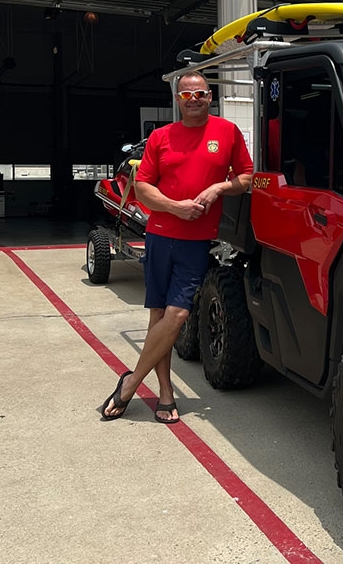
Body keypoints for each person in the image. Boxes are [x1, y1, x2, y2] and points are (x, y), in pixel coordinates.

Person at [100, 71, 253, 423]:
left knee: (179, 314)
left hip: (196, 242)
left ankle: (129, 384)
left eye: (200, 93)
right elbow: (142, 189)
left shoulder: (226, 133)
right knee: (158, 315)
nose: (194, 99)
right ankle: (165, 393)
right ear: (178, 100)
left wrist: (218, 188)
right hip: (160, 235)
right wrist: (176, 206)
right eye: (187, 95)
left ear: (210, 96)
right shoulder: (161, 137)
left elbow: (245, 176)